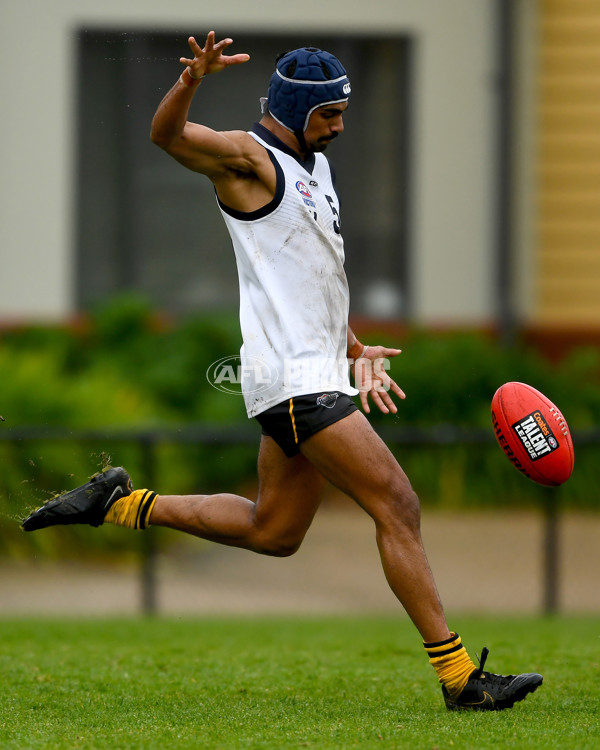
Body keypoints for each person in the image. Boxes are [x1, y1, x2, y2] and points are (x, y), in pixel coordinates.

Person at [22, 32, 542, 711]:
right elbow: (165, 137)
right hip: (297, 380)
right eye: (330, 114)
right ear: (297, 110)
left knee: (275, 533)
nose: (341, 125)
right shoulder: (248, 158)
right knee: (399, 504)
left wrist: (351, 346)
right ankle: (458, 678)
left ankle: (120, 503)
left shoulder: (316, 170)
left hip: (308, 373)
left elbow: (311, 276)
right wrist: (190, 81)